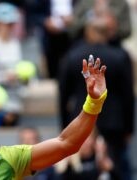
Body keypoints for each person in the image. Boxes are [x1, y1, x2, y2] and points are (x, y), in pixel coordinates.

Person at [58, 7, 134, 180]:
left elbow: (63, 95)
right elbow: (128, 96)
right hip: (114, 123)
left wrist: (65, 124)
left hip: (81, 119)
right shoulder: (121, 56)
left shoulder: (72, 56)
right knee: (116, 169)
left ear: (88, 31)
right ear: (108, 33)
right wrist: (129, 128)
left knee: (78, 171)